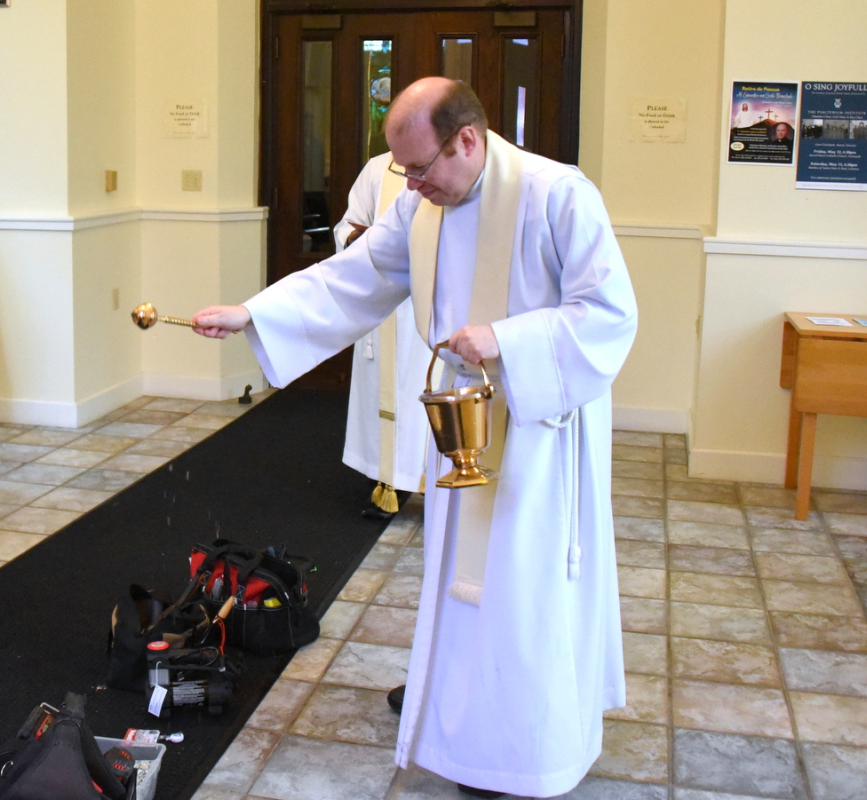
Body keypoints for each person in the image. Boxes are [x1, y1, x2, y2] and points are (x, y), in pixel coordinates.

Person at [193, 77, 637, 798]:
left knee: (518, 587)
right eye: (405, 172)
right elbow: (355, 274)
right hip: (463, 422)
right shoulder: (423, 207)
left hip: (536, 428)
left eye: (422, 168)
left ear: (468, 139)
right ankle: (456, 710)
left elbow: (609, 314)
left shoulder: (558, 195)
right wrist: (257, 313)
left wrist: (505, 339)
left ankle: (525, 748)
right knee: (458, 582)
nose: (413, 186)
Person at [334, 152, 431, 519]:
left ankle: (436, 482)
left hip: (436, 304)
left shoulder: (457, 165)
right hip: (388, 306)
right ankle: (387, 479)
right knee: (389, 395)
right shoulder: (379, 169)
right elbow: (346, 226)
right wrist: (364, 238)